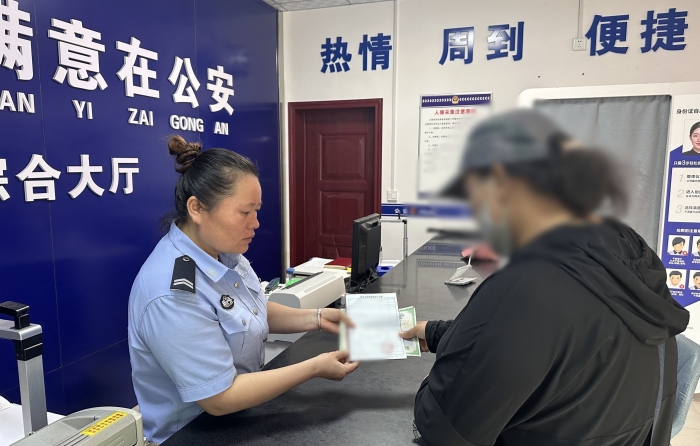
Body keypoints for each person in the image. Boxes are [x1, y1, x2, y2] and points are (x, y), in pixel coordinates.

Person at [400, 110, 689, 446]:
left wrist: (435, 381)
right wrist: (435, 334)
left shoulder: (525, 287)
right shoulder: (625, 252)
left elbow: (446, 428)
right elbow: (544, 338)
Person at [128, 136, 359, 444]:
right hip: (194, 434)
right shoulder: (173, 292)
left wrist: (317, 317)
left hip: (241, 418)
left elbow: (250, 309)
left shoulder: (222, 251)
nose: (256, 223)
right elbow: (219, 398)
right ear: (197, 208)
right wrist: (314, 367)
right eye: (245, 212)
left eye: (257, 210)